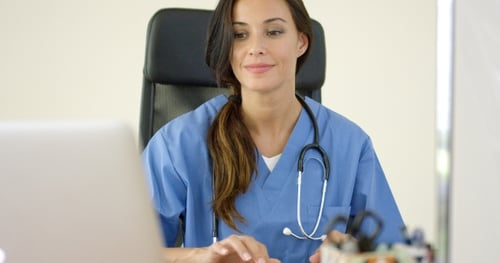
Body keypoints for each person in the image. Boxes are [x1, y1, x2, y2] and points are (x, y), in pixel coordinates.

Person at [142, 0, 405, 262]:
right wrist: (202, 257)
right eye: (239, 35)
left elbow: (396, 254)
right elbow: (123, 251)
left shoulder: (349, 146)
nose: (256, 48)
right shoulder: (178, 143)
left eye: (274, 32)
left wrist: (357, 255)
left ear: (301, 42)